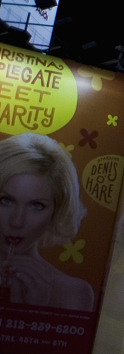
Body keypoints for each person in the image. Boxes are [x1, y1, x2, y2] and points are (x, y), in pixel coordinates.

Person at [0, 132, 94, 312]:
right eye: (5, 201)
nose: (17, 221)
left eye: (36, 206)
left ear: (57, 211)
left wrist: (37, 311)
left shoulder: (73, 293)